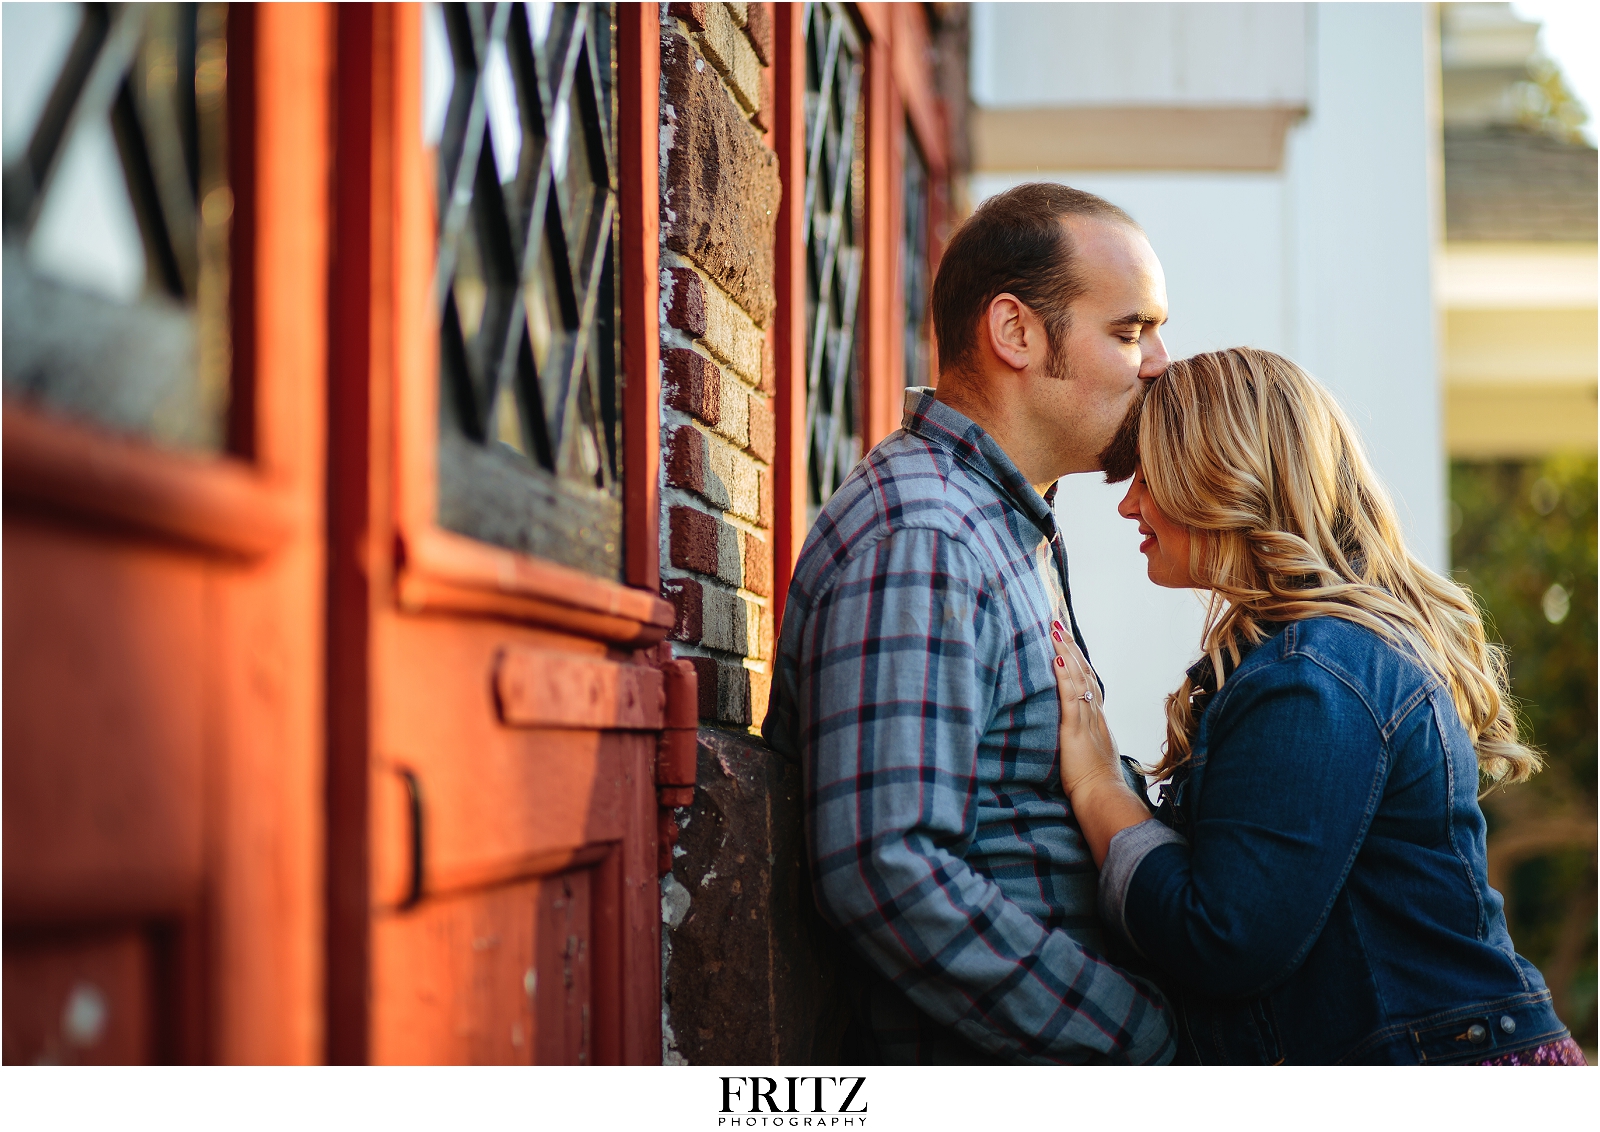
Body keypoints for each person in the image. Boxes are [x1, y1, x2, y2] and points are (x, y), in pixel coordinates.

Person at [1048, 347, 1585, 1065]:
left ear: (1224, 474)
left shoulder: (1312, 676)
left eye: (1150, 472)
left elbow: (1223, 939)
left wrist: (1096, 786)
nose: (1128, 503)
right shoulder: (1317, 657)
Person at [762, 183, 1176, 1064]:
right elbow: (888, 868)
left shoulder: (996, 523)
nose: (1157, 363)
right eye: (1130, 330)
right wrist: (1140, 1041)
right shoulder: (926, 535)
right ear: (1015, 331)